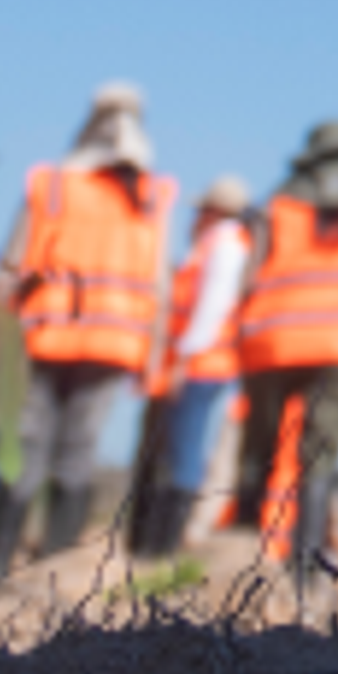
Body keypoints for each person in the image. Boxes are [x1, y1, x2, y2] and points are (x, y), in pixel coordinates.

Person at [0, 85, 170, 573]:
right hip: (113, 344)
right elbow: (159, 284)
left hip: (46, 336)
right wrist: (153, 358)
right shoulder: (150, 194)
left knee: (26, 446)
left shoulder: (53, 183)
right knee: (75, 454)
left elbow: (11, 266)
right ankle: (54, 571)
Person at [229, 120, 338, 582]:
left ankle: (252, 556)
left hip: (271, 342)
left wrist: (237, 330)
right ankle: (304, 569)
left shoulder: (279, 202)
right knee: (318, 456)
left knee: (263, 452)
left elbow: (247, 275)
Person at [130, 177, 257, 557]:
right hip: (197, 361)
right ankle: (150, 543)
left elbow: (212, 307)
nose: (194, 217)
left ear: (215, 211)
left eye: (201, 209)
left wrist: (183, 360)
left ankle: (161, 547)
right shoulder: (215, 245)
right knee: (173, 450)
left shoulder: (227, 245)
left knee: (183, 451)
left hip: (202, 364)